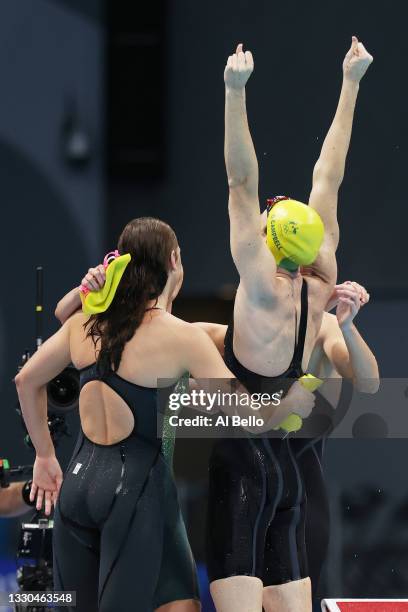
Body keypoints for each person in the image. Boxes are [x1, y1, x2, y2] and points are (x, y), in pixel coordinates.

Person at [15, 217, 296, 612]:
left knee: (180, 604)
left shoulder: (86, 324)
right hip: (134, 494)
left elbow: (26, 381)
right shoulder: (182, 337)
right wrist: (289, 407)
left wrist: (45, 457)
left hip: (77, 489)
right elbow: (246, 414)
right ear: (174, 260)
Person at [201, 38, 374, 612]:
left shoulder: (256, 276)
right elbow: (331, 175)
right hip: (287, 465)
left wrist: (234, 93)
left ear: (270, 237)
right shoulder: (321, 288)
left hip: (240, 455)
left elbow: (239, 180)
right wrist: (351, 84)